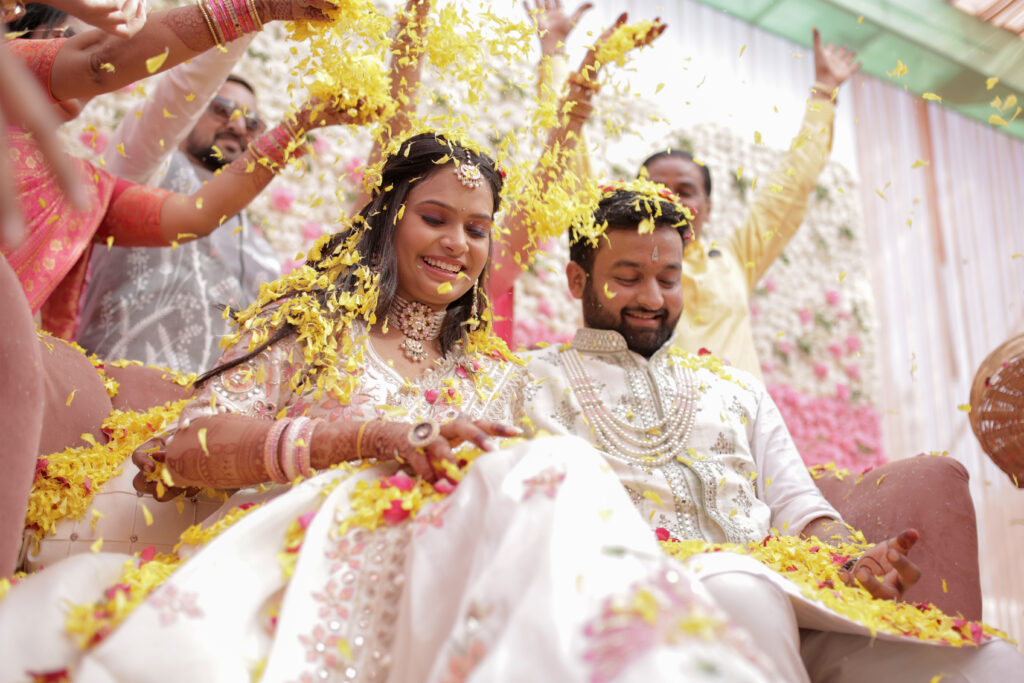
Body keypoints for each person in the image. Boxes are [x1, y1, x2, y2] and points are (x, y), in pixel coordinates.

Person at [0, 132, 785, 682]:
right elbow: (181, 450)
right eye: (434, 218)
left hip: (442, 567)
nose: (457, 245)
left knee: (562, 469)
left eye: (477, 229)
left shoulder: (495, 374)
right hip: (303, 551)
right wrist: (372, 434)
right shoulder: (317, 330)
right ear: (389, 220)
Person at [520, 182, 1024, 681]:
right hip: (641, 612)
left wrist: (851, 561)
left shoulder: (736, 390)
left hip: (791, 607)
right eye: (628, 277)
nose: (652, 298)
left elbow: (800, 510)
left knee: (993, 664)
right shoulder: (532, 381)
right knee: (740, 587)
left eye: (668, 279)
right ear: (575, 279)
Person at [1, 0, 358, 339]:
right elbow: (99, 61)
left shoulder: (82, 188)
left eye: (252, 122)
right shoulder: (12, 65)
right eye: (67, 36)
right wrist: (259, 8)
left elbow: (193, 217)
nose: (237, 125)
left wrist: (299, 126)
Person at [640, 28, 860, 380]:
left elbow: (791, 187)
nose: (669, 200)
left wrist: (824, 94)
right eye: (655, 189)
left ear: (708, 207)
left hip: (739, 429)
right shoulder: (616, 269)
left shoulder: (733, 260)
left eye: (685, 190)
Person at [76, 73, 283, 372]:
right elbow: (179, 89)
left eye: (252, 124)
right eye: (222, 109)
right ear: (192, 110)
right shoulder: (147, 172)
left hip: (204, 415)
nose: (237, 126)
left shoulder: (259, 248)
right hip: (107, 394)